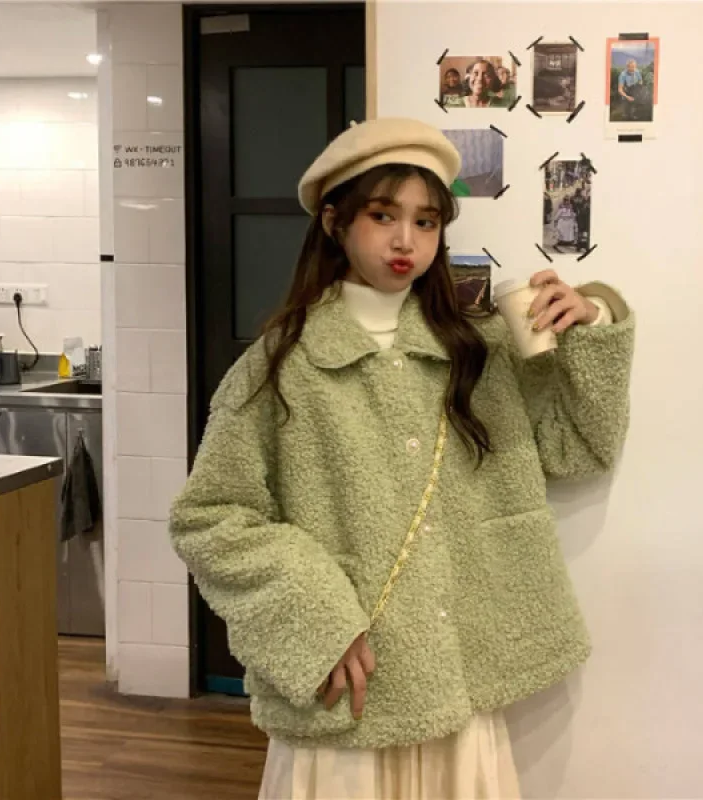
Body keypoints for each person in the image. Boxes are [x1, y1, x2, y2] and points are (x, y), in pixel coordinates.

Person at [169, 117, 634, 800]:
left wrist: (594, 322)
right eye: (383, 216)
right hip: (352, 692)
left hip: (462, 682)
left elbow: (578, 448)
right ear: (335, 222)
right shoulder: (282, 367)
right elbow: (209, 516)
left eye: (425, 221)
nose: (405, 241)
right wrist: (315, 618)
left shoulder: (476, 351)